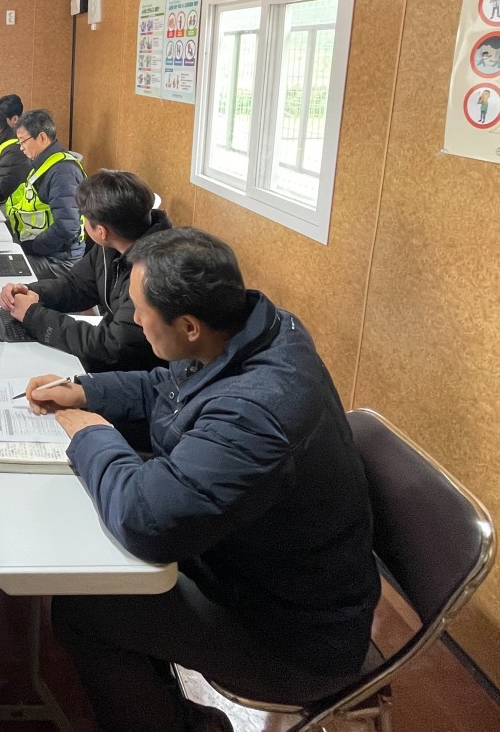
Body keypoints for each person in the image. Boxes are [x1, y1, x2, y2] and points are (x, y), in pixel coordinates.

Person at [24, 228, 380, 732]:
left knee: (87, 609)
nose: (136, 319)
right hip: (248, 569)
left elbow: (145, 521)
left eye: (142, 311)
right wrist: (84, 391)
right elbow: (164, 389)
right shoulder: (250, 331)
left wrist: (90, 436)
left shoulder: (255, 411)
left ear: (189, 325)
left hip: (289, 639)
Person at [0, 170, 170, 372]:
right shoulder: (112, 244)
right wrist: (32, 292)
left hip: (138, 374)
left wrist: (34, 316)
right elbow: (76, 285)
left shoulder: (154, 273)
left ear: (102, 231)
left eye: (85, 218)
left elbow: (111, 346)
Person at [6, 108, 85, 279]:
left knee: (2, 272)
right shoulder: (44, 164)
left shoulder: (63, 172)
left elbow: (67, 227)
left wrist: (30, 248)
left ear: (42, 137)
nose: (21, 148)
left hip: (60, 260)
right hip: (46, 251)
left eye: (23, 141)